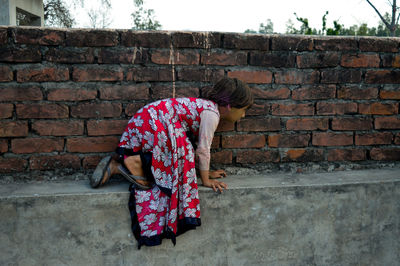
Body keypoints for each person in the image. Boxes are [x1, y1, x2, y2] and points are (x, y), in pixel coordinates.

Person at [89, 77, 254, 248]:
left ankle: (123, 166)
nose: (243, 115)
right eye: (243, 110)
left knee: (183, 150)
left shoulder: (206, 107)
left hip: (149, 119)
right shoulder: (212, 115)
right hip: (154, 122)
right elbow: (203, 150)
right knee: (183, 152)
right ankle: (133, 162)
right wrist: (206, 180)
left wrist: (206, 171)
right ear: (229, 106)